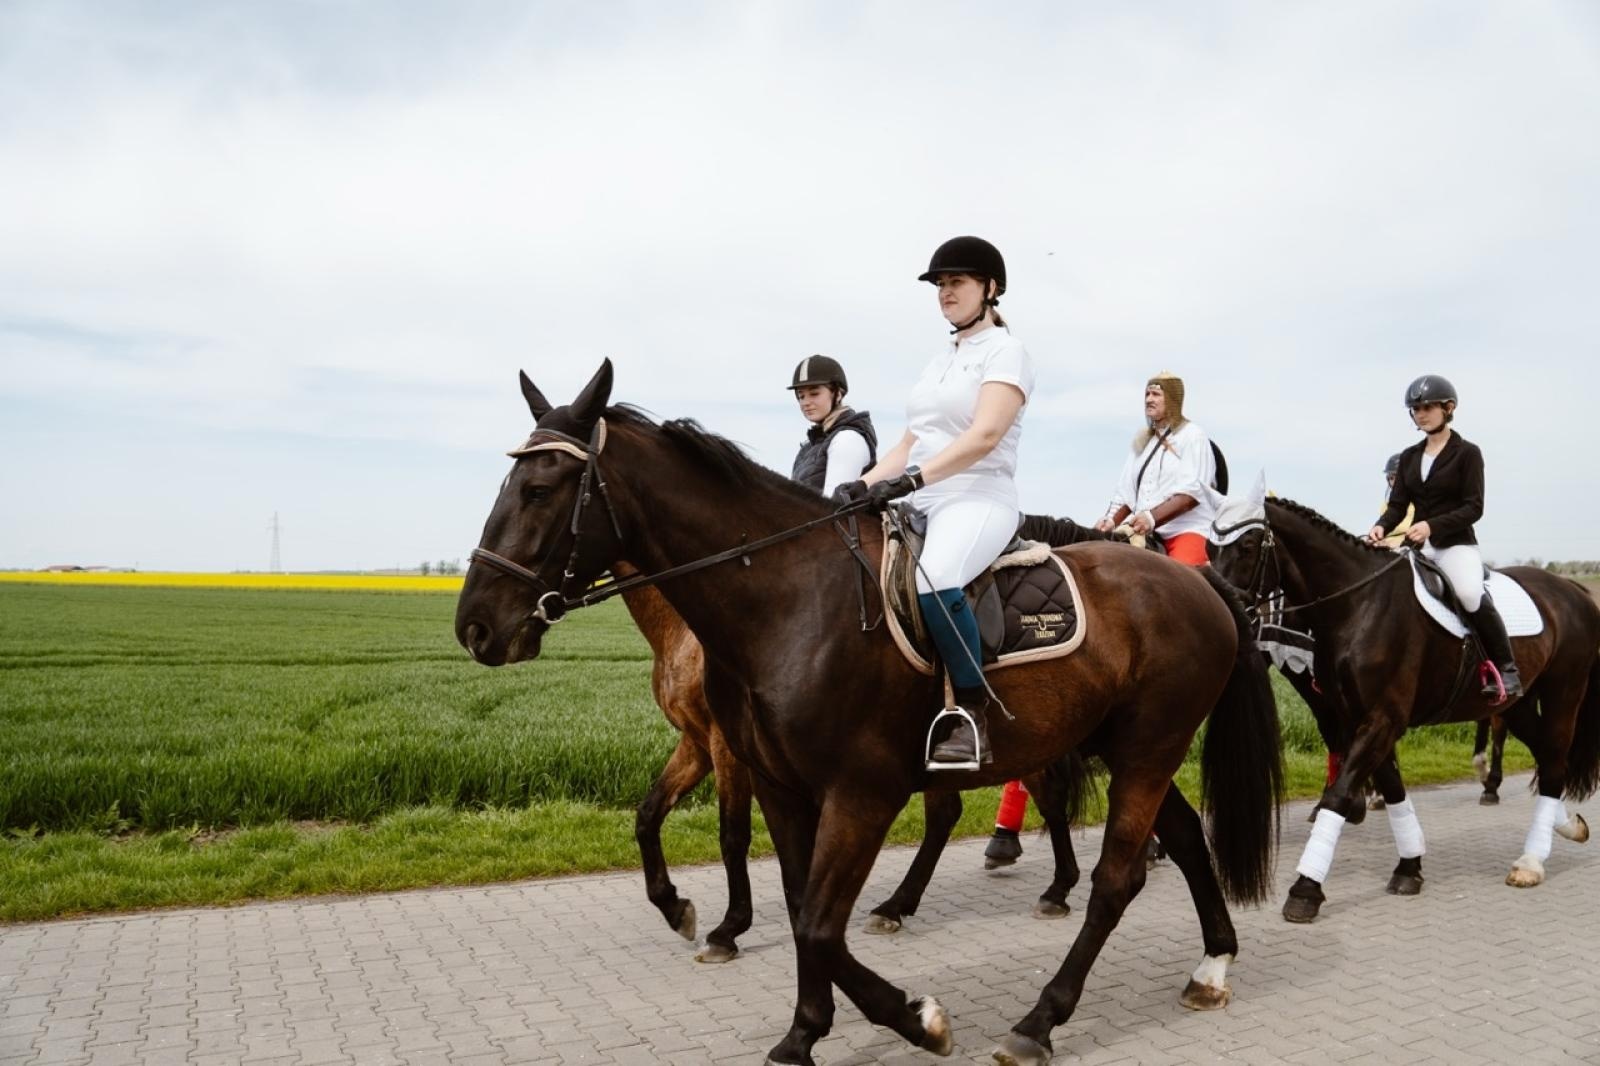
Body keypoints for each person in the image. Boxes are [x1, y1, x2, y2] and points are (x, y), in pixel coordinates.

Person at [832, 235, 1036, 770]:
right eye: (940, 284)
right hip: (922, 495)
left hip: (977, 497)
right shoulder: (941, 357)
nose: (945, 292)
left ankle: (973, 711)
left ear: (990, 289)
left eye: (957, 283)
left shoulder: (1006, 352)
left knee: (935, 577)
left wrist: (914, 480)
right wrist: (862, 484)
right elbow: (908, 444)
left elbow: (985, 435)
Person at [1366, 374, 1522, 701]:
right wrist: (1381, 526)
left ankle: (1507, 670)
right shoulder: (1409, 457)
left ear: (1448, 408)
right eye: (1415, 409)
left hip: (1455, 545)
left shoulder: (1468, 453)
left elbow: (1473, 507)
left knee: (1467, 592)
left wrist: (1432, 526)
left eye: (1427, 407)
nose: (1420, 414)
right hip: (1416, 548)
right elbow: (1397, 507)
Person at [1093, 372, 1217, 566]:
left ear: (1173, 399)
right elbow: (1125, 495)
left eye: (1156, 395)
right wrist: (1110, 521)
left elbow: (1191, 494)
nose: (1149, 400)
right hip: (1142, 531)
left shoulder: (1193, 436)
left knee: (1181, 584)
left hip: (1184, 531)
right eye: (1147, 394)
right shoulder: (1142, 442)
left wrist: (1151, 518)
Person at [788, 356, 878, 496]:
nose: (805, 402)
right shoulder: (808, 447)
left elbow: (834, 509)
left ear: (838, 394)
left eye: (814, 394)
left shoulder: (847, 439)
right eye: (801, 396)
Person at [1379, 453, 1414, 549]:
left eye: (1398, 477)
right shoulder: (1386, 506)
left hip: (1411, 549)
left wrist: (1398, 546)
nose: (1394, 481)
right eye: (1391, 478)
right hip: (1389, 551)